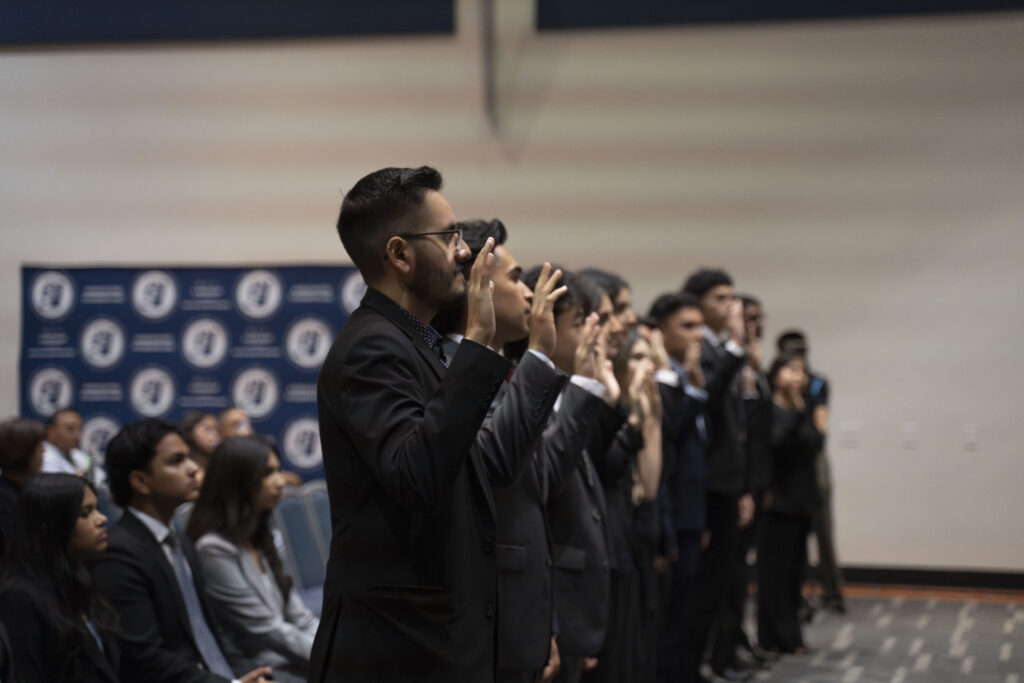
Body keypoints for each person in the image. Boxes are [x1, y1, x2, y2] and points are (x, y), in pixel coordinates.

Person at [309, 166, 555, 683]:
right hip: (397, 652)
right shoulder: (372, 347)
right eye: (447, 239)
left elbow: (475, 466)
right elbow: (416, 475)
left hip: (431, 643)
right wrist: (480, 342)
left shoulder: (409, 340)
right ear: (400, 255)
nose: (463, 251)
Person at [433, 219, 574, 683]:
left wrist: (542, 623)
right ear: (477, 286)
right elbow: (496, 463)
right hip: (482, 614)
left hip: (521, 607)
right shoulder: (448, 369)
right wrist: (539, 354)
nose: (530, 293)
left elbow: (539, 484)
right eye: (515, 279)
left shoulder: (501, 370)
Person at [95, 418, 272, 683]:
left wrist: (252, 676)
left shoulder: (182, 543)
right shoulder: (119, 553)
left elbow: (212, 632)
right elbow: (144, 658)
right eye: (176, 461)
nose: (192, 469)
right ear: (141, 481)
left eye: (188, 458)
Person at [187, 437, 319, 683]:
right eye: (268, 473)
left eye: (278, 470)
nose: (281, 482)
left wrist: (339, 649)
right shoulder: (213, 548)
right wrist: (333, 656)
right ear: (238, 481)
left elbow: (300, 617)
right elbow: (267, 629)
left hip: (294, 660)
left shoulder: (258, 536)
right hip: (262, 671)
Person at [680, 268, 750, 682]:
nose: (730, 306)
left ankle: (706, 661)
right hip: (705, 486)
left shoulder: (717, 348)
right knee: (702, 586)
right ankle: (693, 666)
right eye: (720, 298)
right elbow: (710, 394)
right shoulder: (702, 348)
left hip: (725, 483)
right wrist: (738, 346)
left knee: (719, 582)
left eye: (731, 297)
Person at [0, 473, 119, 682]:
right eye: (86, 513)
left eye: (97, 508)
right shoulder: (20, 597)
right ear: (50, 526)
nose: (102, 519)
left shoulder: (81, 578)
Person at [757, 352, 823, 655]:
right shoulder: (770, 408)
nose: (797, 377)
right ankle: (774, 636)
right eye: (790, 370)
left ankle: (792, 635)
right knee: (775, 574)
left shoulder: (805, 407)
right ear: (775, 375)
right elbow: (777, 446)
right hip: (777, 500)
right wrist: (798, 413)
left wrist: (805, 410)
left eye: (801, 371)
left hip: (801, 499)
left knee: (796, 571)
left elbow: (814, 445)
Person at [777, 330, 844, 614]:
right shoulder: (776, 381)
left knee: (822, 528)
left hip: (812, 459)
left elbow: (820, 431)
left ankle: (832, 590)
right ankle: (794, 590)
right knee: (790, 533)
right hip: (784, 461)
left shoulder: (817, 384)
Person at [0, 417, 46, 555]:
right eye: (38, 447)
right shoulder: (4, 501)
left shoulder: (29, 490)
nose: (43, 452)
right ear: (21, 453)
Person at [41, 407, 91, 476]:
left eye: (79, 429)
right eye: (70, 429)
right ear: (51, 432)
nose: (77, 435)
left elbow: (99, 478)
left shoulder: (78, 455)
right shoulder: (43, 457)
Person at [179, 411, 221, 483]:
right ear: (189, 433)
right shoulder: (181, 469)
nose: (215, 435)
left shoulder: (221, 466)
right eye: (207, 429)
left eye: (216, 430)